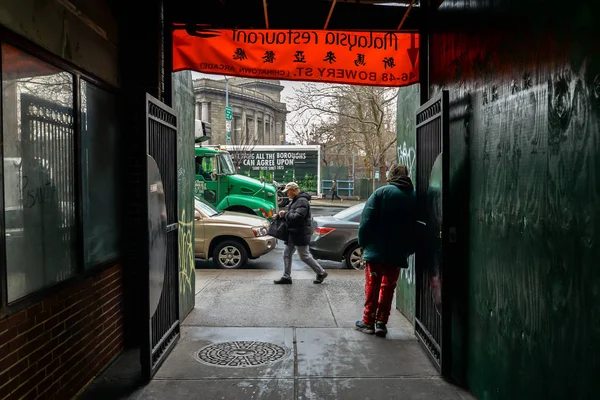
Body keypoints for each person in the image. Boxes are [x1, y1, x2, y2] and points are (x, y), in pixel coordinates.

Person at [355, 164, 416, 338]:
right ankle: (381, 323)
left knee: (372, 286)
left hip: (376, 250)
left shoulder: (381, 193)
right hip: (397, 252)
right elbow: (416, 226)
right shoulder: (413, 196)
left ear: (391, 175)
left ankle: (368, 321)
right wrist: (408, 249)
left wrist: (363, 242)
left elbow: (366, 220)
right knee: (388, 287)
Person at [274, 182, 328, 285]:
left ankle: (321, 272)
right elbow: (294, 215)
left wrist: (285, 214)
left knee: (304, 256)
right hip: (294, 233)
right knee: (286, 253)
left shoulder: (302, 201)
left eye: (288, 192)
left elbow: (297, 217)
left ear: (294, 190)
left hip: (300, 234)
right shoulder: (297, 200)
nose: (287, 194)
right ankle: (286, 277)